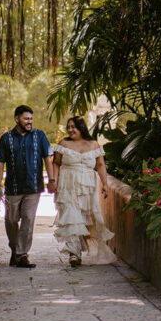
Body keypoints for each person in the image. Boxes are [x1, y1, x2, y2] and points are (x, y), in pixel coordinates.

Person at [50, 115, 115, 268]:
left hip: (87, 186)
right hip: (67, 185)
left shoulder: (93, 145)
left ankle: (78, 249)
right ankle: (74, 253)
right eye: (69, 127)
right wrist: (54, 181)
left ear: (82, 128)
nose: (70, 130)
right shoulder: (63, 144)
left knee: (84, 219)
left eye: (74, 127)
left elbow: (100, 165)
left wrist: (105, 184)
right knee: (71, 216)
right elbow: (56, 163)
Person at [0, 105, 55, 268]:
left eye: (31, 119)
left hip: (33, 187)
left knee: (28, 219)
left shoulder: (39, 136)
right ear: (17, 119)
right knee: (11, 220)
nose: (29, 122)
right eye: (26, 119)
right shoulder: (6, 138)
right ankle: (15, 251)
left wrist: (52, 180)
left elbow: (48, 159)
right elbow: (0, 162)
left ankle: (22, 255)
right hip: (13, 187)